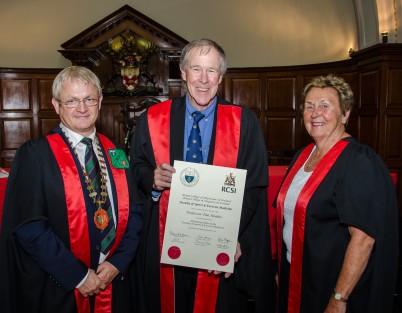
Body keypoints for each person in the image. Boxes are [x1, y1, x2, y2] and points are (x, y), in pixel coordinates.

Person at [129, 38, 275, 313]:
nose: (204, 80)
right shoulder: (153, 118)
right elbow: (136, 166)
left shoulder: (243, 123)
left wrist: (229, 235)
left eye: (212, 71)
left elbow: (253, 187)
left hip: (219, 247)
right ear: (183, 73)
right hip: (164, 244)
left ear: (221, 76)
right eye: (196, 69)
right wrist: (152, 179)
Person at [0, 66, 143, 313]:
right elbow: (29, 226)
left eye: (89, 99)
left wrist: (118, 262)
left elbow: (135, 213)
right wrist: (78, 275)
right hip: (59, 287)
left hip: (113, 283)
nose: (82, 108)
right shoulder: (35, 155)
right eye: (72, 101)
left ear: (99, 101)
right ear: (56, 105)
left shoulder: (116, 153)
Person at [274, 74, 399, 313]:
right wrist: (284, 270)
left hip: (331, 284)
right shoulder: (303, 156)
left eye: (325, 106)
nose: (315, 113)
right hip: (299, 276)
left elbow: (363, 239)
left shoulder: (358, 161)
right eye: (309, 107)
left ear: (345, 114)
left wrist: (339, 298)